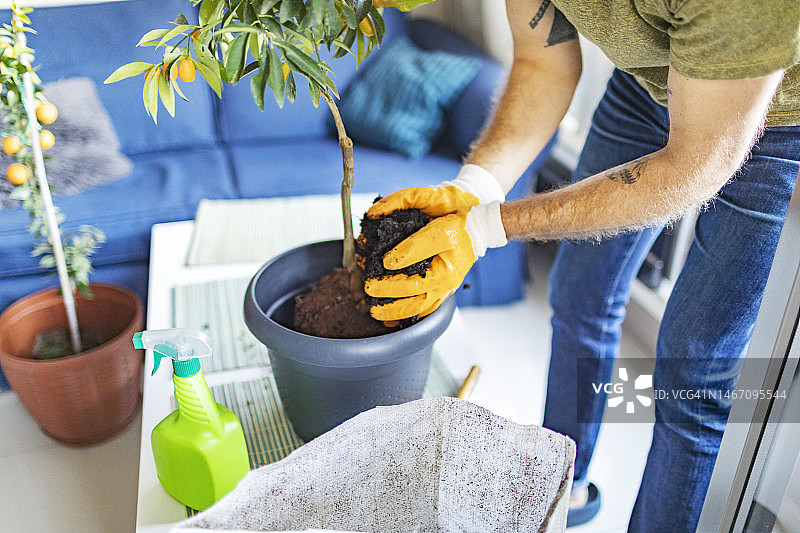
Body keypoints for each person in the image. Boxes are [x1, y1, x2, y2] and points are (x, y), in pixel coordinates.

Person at [363, 0, 800, 531]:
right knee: (579, 292)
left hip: (776, 123)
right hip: (645, 87)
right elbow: (542, 64)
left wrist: (483, 228)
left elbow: (694, 163)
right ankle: (564, 486)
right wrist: (470, 194)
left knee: (695, 367)